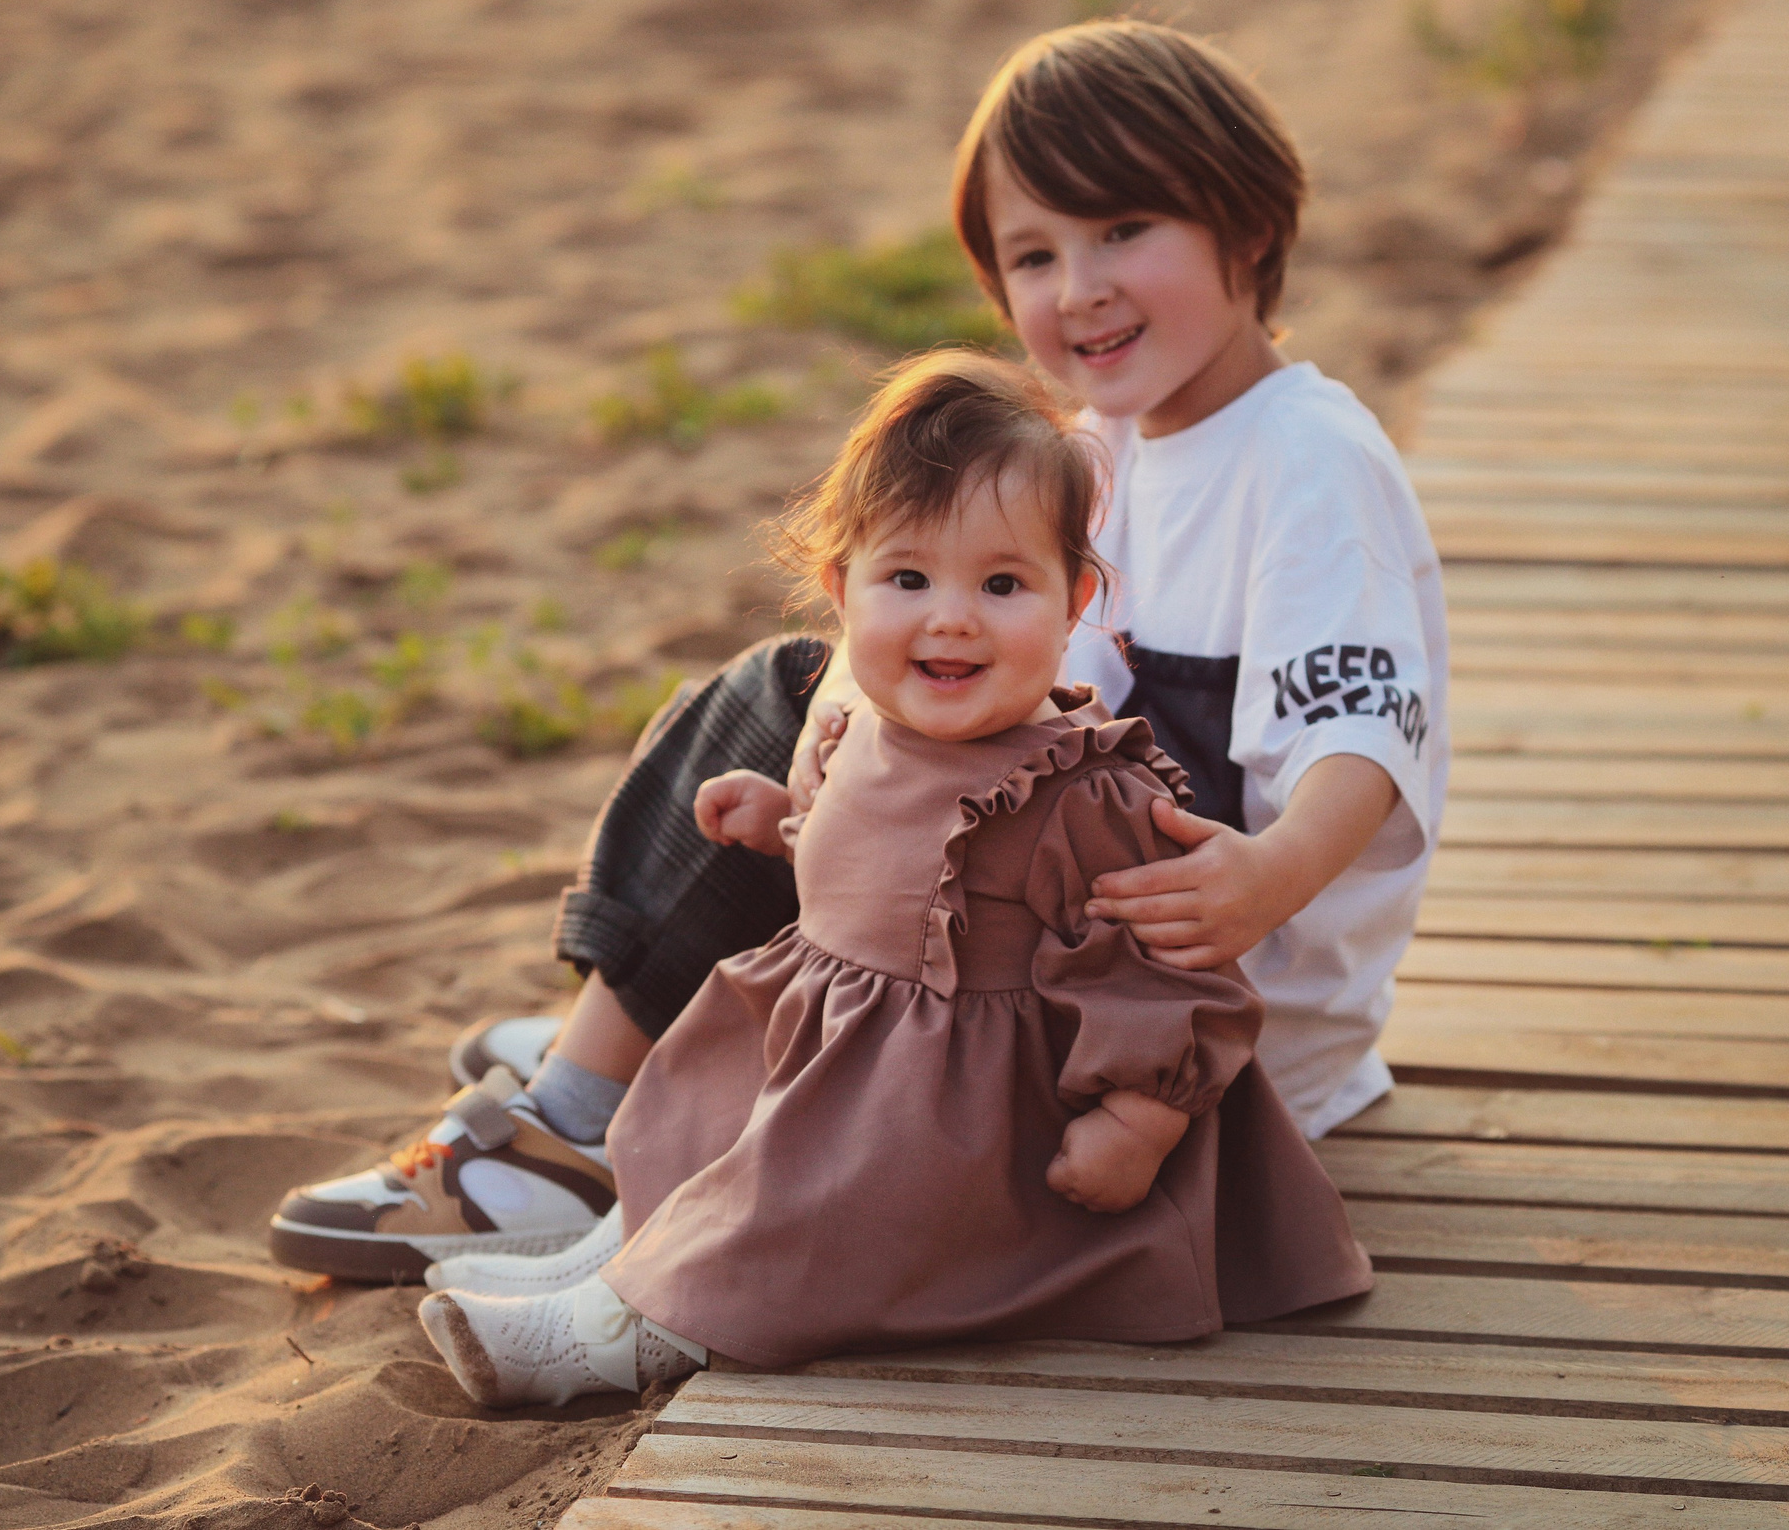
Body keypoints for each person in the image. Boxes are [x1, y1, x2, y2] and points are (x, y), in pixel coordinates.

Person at [266, 16, 1447, 1282]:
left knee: (785, 694)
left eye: (1124, 231)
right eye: (1031, 255)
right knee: (842, 690)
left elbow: (1358, 736)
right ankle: (631, 1045)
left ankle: (574, 1122)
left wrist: (1267, 876)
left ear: (1249, 225)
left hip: (1170, 1033)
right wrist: (821, 791)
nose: (1077, 288)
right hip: (1040, 963)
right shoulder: (1106, 449)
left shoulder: (1307, 459)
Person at [416, 353, 1370, 1406]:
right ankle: (615, 1257)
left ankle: (618, 1334)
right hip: (839, 1054)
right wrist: (787, 824)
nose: (950, 618)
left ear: (1075, 599)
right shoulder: (857, 723)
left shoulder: (1080, 792)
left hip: (968, 1124)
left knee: (807, 1198)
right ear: (842, 588)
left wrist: (1139, 1120)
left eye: (1002, 584)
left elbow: (1169, 975)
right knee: (694, 1117)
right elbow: (881, 857)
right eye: (907, 579)